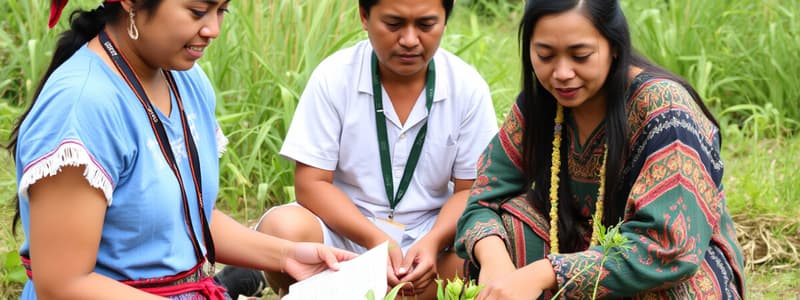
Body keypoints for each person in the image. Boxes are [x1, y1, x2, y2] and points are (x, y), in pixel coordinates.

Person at [7, 0, 356, 299]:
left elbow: (185, 220)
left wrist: (287, 255)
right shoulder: (82, 106)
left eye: (222, 11)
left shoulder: (186, 80)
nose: (213, 29)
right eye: (197, 11)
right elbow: (64, 284)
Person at [454, 0, 745, 299]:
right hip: (571, 248)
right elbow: (482, 199)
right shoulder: (538, 103)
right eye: (545, 55)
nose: (562, 72)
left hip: (664, 270)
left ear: (614, 47)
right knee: (506, 225)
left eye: (580, 56)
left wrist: (545, 273)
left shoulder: (664, 107)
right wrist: (495, 262)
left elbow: (668, 247)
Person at [216, 0, 498, 298]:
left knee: (492, 249)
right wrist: (375, 240)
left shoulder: (467, 87)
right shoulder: (335, 76)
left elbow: (471, 190)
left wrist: (432, 241)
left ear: (445, 21)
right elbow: (311, 184)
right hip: (346, 238)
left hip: (430, 244)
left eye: (426, 25)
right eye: (393, 24)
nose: (410, 40)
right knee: (282, 227)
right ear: (365, 16)